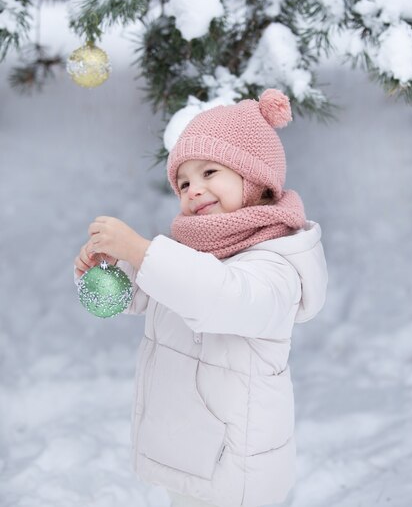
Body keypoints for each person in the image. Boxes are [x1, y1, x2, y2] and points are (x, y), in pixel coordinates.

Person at [74, 89, 328, 507]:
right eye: (184, 182)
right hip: (189, 449)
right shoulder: (193, 254)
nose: (194, 190)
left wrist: (142, 250)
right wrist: (111, 271)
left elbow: (222, 297)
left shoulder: (277, 264)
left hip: (237, 464)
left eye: (210, 172)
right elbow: (154, 292)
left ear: (256, 180)